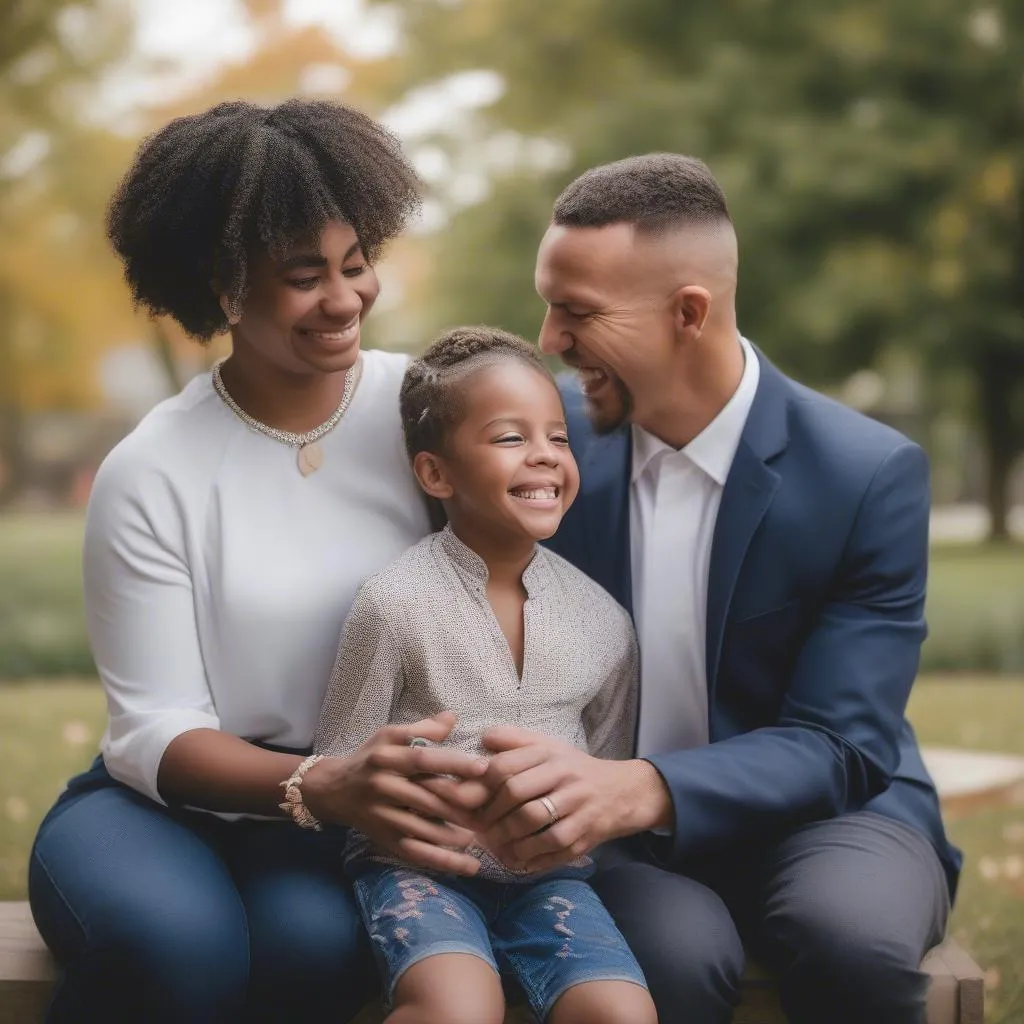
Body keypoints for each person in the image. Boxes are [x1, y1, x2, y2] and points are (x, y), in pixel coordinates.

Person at [435, 154, 962, 1024]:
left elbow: (843, 743)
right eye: (548, 303)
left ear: (689, 312)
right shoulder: (537, 449)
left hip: (837, 812)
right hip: (611, 833)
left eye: (578, 312)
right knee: (671, 964)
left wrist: (644, 786)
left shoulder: (867, 474)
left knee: (851, 943)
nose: (550, 339)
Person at [27, 99, 495, 1023]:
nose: (344, 299)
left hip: (345, 816)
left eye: (356, 266)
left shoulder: (427, 413)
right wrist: (316, 782)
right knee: (174, 949)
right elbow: (151, 726)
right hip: (159, 802)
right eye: (303, 275)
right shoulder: (154, 468)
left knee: (314, 952)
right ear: (225, 285)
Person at [311, 326, 655, 1024]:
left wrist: (560, 827)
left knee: (622, 1015)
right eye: (509, 439)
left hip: (552, 882)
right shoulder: (391, 603)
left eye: (557, 438)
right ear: (437, 474)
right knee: (457, 1011)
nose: (543, 458)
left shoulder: (604, 621)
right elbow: (343, 767)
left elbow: (605, 772)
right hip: (416, 872)